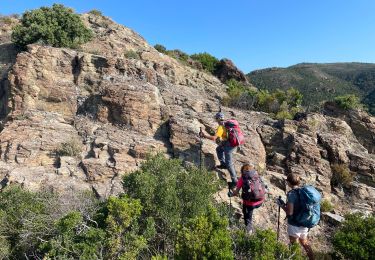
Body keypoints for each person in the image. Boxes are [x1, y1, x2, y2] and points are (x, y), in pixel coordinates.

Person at [277, 173, 314, 260]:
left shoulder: (291, 194)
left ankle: (295, 258)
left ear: (289, 183)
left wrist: (281, 205)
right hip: (305, 221)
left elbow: (290, 212)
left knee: (294, 245)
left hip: (294, 223)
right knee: (304, 242)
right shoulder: (304, 192)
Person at [199, 112, 238, 185]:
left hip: (230, 145)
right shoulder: (226, 124)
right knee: (219, 149)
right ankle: (223, 164)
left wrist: (204, 135)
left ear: (217, 119)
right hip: (229, 142)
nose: (216, 120)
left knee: (229, 163)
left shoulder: (221, 127)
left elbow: (214, 138)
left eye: (216, 119)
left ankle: (235, 181)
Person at [228, 163, 266, 234]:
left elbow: (236, 193)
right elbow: (264, 187)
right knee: (251, 207)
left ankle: (249, 235)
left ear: (243, 171)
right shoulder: (257, 175)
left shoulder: (242, 178)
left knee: (248, 219)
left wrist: (231, 192)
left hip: (249, 203)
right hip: (260, 201)